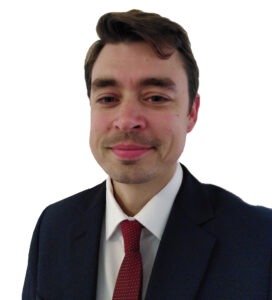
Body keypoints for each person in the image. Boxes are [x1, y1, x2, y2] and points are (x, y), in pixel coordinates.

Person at [23, 9, 272, 300]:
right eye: (108, 98)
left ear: (192, 113)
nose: (127, 119)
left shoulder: (259, 239)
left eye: (155, 97)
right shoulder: (54, 227)